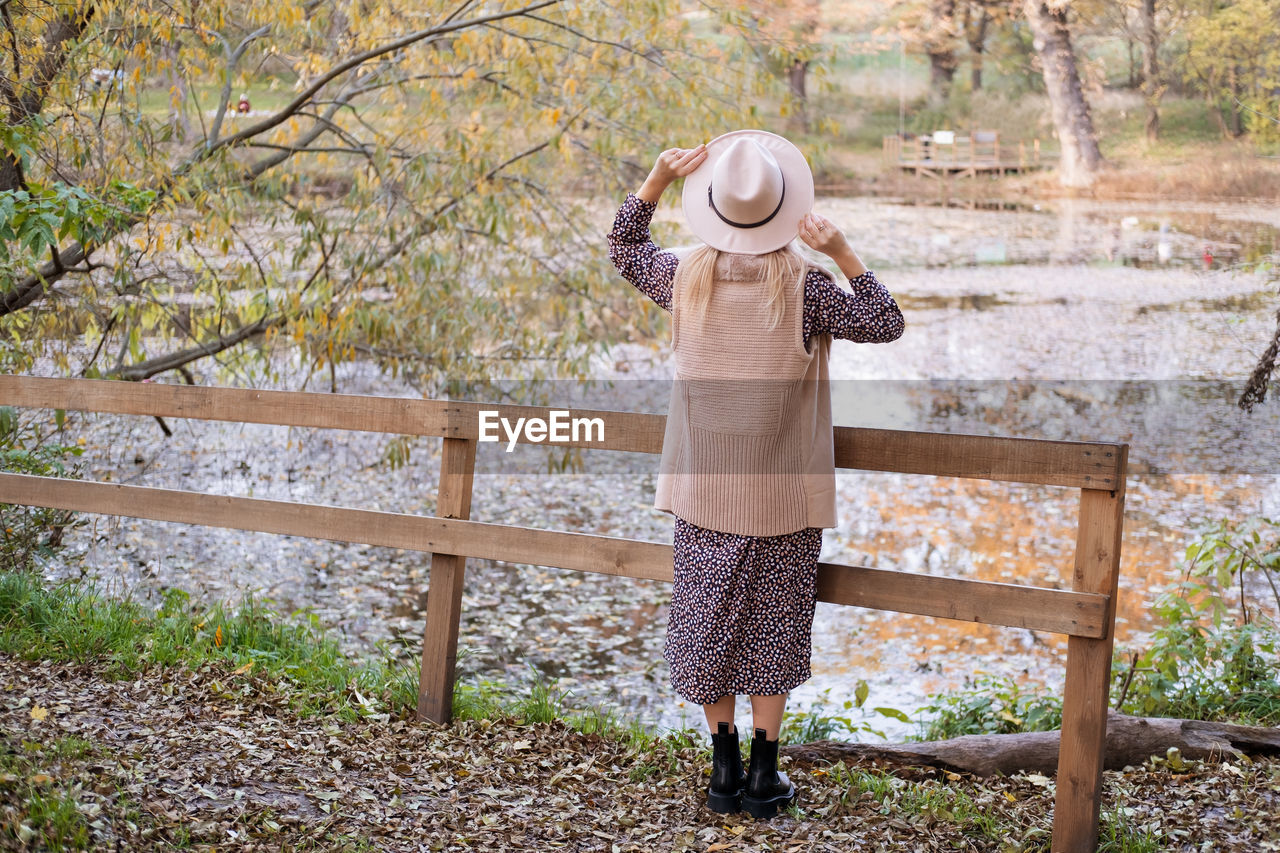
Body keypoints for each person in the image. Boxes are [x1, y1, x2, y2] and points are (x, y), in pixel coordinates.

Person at [607, 129, 905, 819]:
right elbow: (884, 321)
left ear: (712, 205)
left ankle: (722, 769)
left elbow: (625, 247)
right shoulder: (809, 289)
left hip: (703, 491)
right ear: (782, 206)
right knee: (773, 626)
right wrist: (841, 250)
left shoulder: (681, 277)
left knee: (707, 623)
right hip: (781, 495)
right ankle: (765, 777)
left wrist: (653, 180)